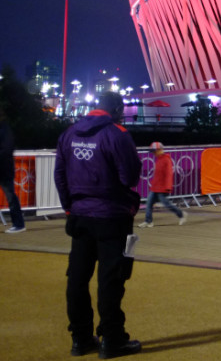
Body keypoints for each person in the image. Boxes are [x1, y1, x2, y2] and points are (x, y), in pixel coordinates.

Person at [53, 92, 142, 358]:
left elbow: (59, 174)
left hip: (80, 215)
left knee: (77, 278)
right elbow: (129, 178)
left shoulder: (68, 133)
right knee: (112, 279)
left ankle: (80, 338)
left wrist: (70, 207)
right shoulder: (118, 134)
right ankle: (112, 339)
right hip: (113, 216)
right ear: (116, 109)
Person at [137, 142, 187, 228]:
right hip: (155, 187)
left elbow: (169, 175)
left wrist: (168, 187)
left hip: (163, 188)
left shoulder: (166, 160)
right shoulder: (159, 159)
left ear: (160, 150)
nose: (153, 153)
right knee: (149, 204)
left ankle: (181, 214)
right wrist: (153, 185)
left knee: (166, 204)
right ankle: (148, 221)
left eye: (154, 151)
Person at [0, 106, 25, 233]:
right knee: (10, 196)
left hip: (4, 168)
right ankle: (18, 223)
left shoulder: (5, 129)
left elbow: (6, 149)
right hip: (4, 167)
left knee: (10, 196)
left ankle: (19, 223)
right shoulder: (5, 128)